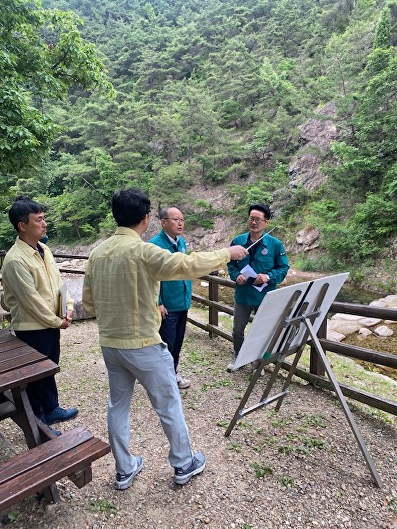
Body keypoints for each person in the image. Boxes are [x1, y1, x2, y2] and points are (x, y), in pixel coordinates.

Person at [82, 188, 248, 490]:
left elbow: (90, 304)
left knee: (117, 406)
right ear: (147, 218)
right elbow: (186, 265)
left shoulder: (97, 254)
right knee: (168, 403)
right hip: (143, 344)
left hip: (111, 344)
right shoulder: (144, 252)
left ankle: (124, 469)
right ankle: (184, 463)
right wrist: (227, 253)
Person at [1, 196, 78, 435]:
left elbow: (57, 283)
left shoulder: (43, 249)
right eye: (39, 219)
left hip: (51, 322)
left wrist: (68, 307)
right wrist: (58, 321)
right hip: (32, 327)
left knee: (50, 367)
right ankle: (39, 422)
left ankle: (52, 407)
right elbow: (31, 301)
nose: (44, 223)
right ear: (22, 226)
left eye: (44, 218)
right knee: (35, 375)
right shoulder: (15, 260)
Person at [227, 203, 290, 371]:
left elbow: (283, 268)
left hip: (265, 297)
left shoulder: (275, 244)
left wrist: (268, 277)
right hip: (243, 294)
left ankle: (258, 363)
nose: (254, 222)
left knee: (263, 331)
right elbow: (231, 265)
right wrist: (236, 276)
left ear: (266, 222)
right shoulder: (238, 241)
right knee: (237, 329)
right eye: (251, 219)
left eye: (258, 220)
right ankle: (239, 357)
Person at [149, 206, 192, 389]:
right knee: (166, 344)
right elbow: (150, 276)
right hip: (167, 304)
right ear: (164, 222)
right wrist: (158, 302)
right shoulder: (155, 245)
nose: (180, 223)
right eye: (176, 219)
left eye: (182, 219)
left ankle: (172, 373)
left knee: (177, 342)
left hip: (182, 301)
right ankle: (163, 380)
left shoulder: (180, 242)